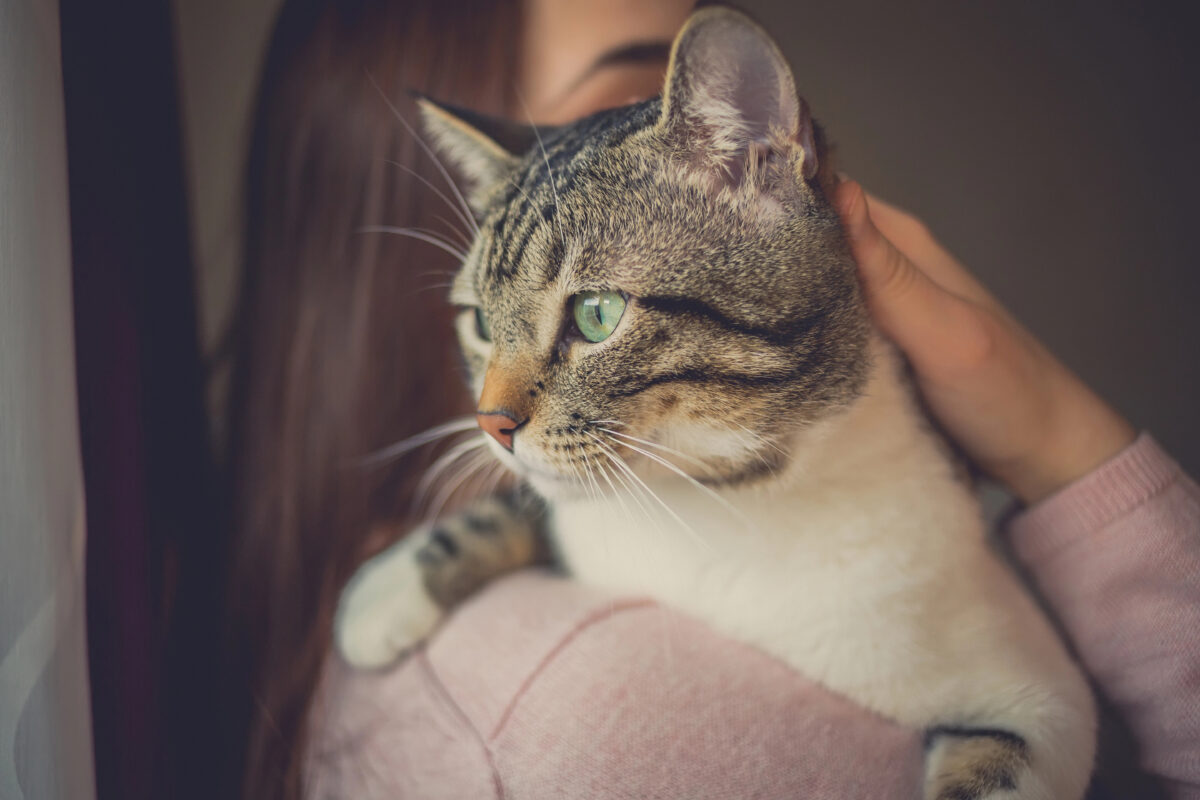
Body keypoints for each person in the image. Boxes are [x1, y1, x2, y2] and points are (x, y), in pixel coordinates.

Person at [222, 1, 1200, 798]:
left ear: (750, 156)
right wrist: (1064, 442)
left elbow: (1027, 714)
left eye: (588, 312)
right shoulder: (566, 708)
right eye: (486, 320)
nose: (499, 409)